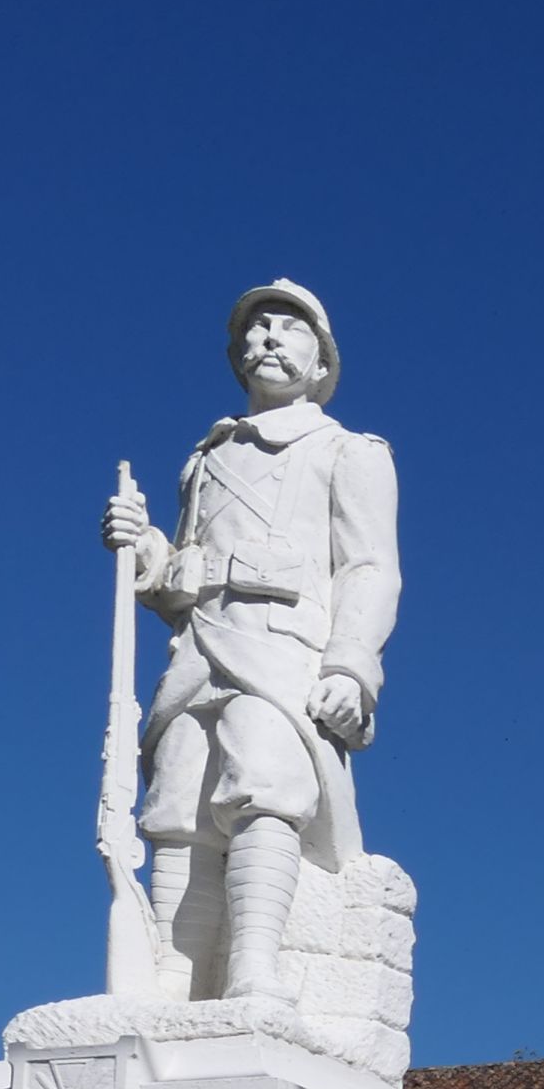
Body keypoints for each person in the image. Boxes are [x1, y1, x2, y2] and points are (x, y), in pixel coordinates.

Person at [99, 281, 400, 1002]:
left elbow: (370, 569)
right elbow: (178, 580)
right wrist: (143, 549)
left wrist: (351, 669)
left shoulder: (348, 452)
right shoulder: (205, 460)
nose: (268, 337)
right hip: (200, 649)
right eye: (256, 329)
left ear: (321, 359)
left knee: (265, 787)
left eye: (287, 328)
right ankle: (175, 967)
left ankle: (254, 965)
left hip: (282, 647)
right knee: (179, 805)